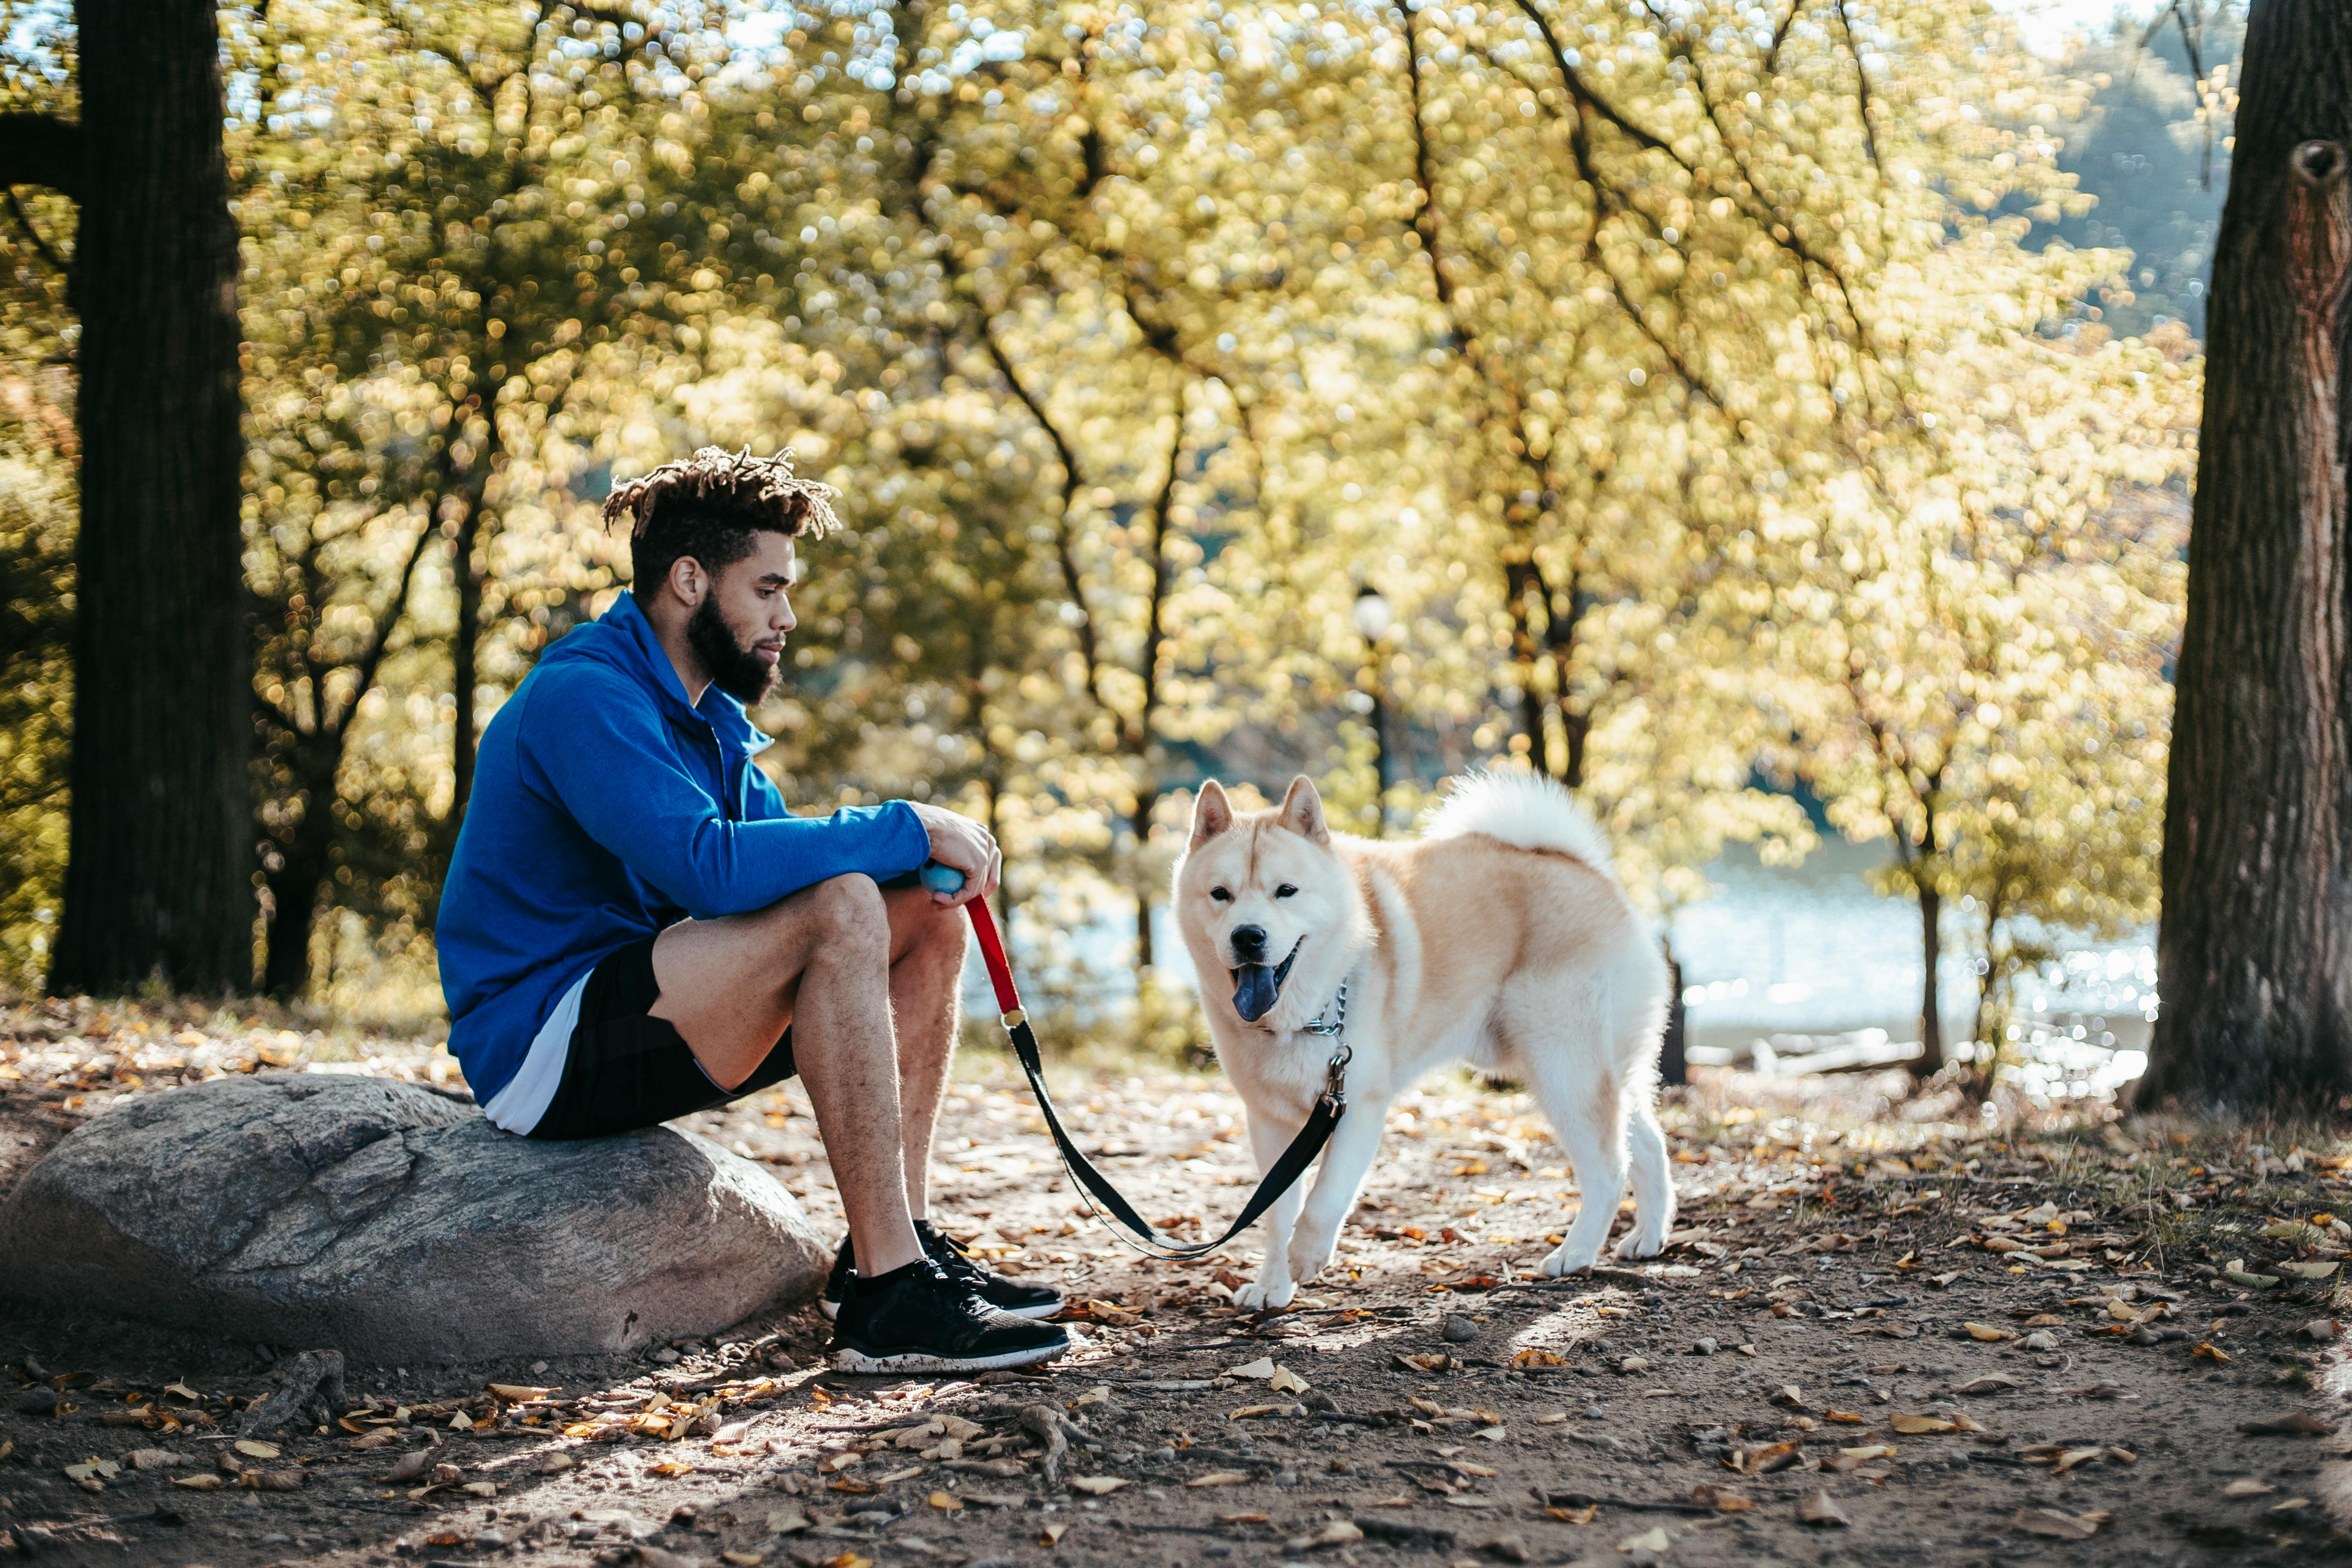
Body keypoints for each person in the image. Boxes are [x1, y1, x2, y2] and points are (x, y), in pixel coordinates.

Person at [436, 447, 1068, 1374]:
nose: (787, 617)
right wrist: (910, 824)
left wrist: (913, 862)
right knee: (848, 903)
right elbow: (713, 873)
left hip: (650, 1005)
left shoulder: (707, 719)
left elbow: (779, 882)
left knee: (924, 915)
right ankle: (890, 1302)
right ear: (689, 581)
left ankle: (894, 1250)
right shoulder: (585, 695)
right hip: (544, 1043)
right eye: (767, 589)